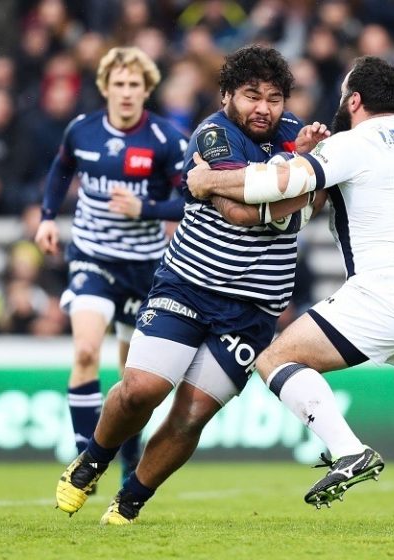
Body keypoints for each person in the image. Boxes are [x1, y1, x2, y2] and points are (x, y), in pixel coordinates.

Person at [185, 55, 394, 523]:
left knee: (275, 358)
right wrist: (303, 152)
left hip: (383, 292)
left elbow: (275, 183)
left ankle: (348, 451)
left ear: (355, 100)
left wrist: (207, 178)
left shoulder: (355, 141)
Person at [53, 45, 324, 525]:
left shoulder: (295, 137)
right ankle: (93, 458)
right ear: (225, 96)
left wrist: (288, 182)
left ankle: (131, 500)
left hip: (254, 308)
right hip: (189, 285)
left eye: (275, 97)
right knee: (140, 389)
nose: (263, 107)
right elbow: (238, 212)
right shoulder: (212, 133)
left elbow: (311, 203)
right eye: (251, 95)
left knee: (192, 414)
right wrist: (295, 186)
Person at [34, 46, 188, 484]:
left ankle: (127, 460)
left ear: (146, 89)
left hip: (146, 268)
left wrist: (146, 208)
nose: (125, 93)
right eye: (118, 84)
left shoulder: (165, 140)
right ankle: (86, 462)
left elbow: (188, 200)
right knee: (84, 350)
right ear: (105, 88)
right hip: (91, 257)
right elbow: (60, 170)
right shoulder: (82, 130)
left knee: (131, 386)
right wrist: (47, 217)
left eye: (133, 85)